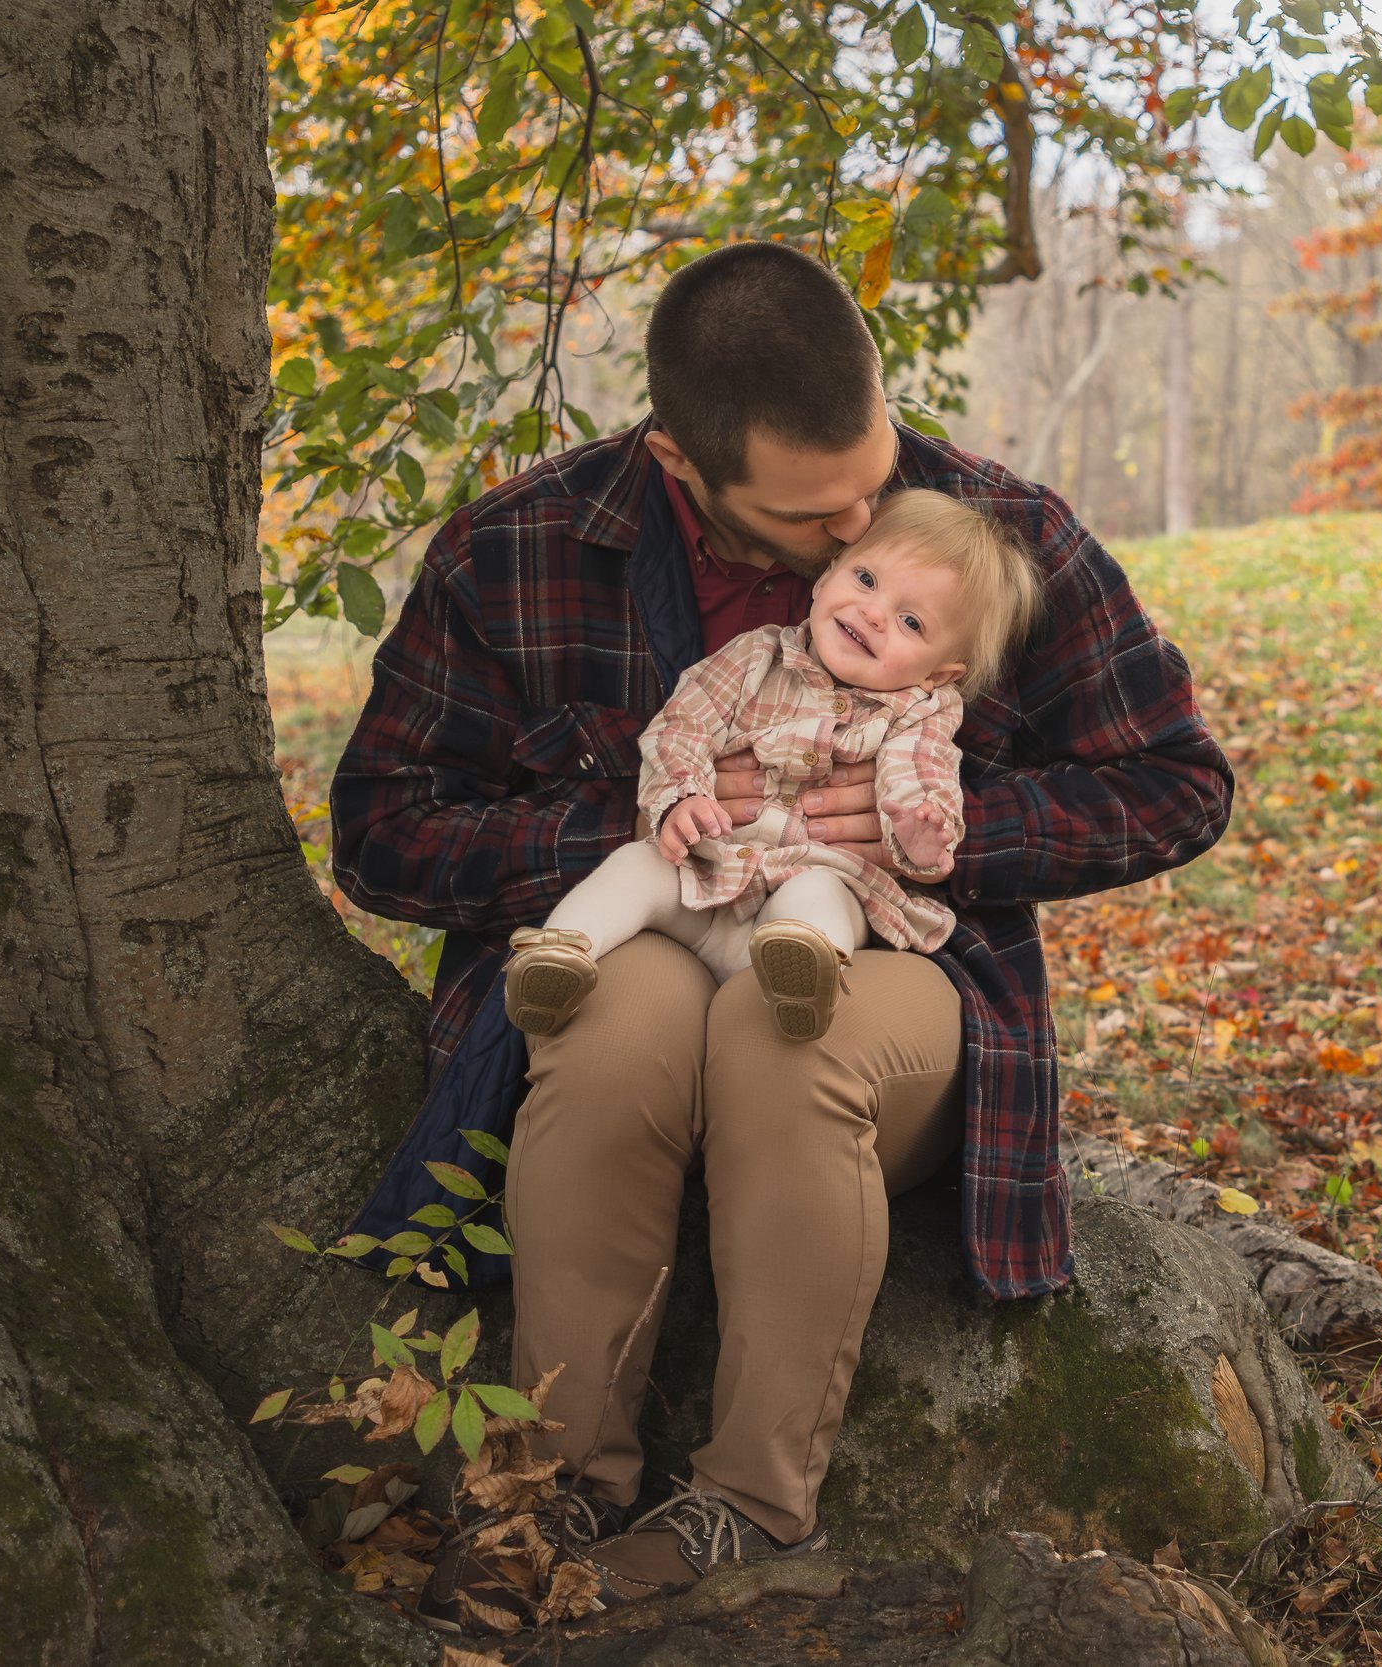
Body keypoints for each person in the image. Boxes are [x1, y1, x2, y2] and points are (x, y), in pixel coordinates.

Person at [329, 241, 1230, 1625]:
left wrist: (929, 827)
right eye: (821, 519)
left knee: (776, 1027)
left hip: (882, 967)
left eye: (876, 474)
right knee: (607, 1021)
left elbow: (1178, 780)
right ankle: (549, 1486)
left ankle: (746, 1503)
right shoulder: (514, 550)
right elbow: (382, 827)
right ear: (684, 464)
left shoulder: (997, 534)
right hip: (655, 931)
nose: (866, 522)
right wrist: (643, 828)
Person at [499, 490, 1044, 1045]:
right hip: (706, 875)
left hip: (811, 880)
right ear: (827, 574)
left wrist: (922, 837)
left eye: (910, 621)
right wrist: (681, 797)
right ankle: (563, 953)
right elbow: (681, 725)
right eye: (865, 580)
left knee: (821, 895)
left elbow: (918, 780)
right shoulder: (753, 658)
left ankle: (802, 977)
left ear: (941, 674)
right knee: (639, 865)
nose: (873, 614)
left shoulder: (916, 715)